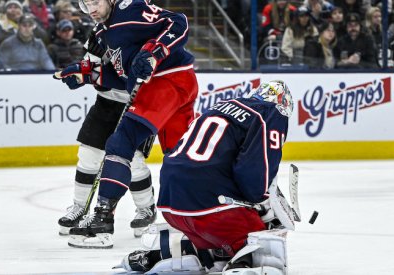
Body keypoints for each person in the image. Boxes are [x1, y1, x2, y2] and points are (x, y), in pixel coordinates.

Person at [54, 0, 198, 248]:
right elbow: (123, 76)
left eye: (96, 3)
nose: (92, 10)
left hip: (167, 81)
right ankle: (197, 215)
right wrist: (87, 74)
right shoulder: (103, 31)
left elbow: (179, 22)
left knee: (120, 142)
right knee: (179, 155)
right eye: (85, 5)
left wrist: (155, 51)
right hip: (169, 85)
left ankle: (102, 220)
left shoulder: (128, 9)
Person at [115, 80, 294, 275]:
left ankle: (163, 255)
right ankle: (242, 262)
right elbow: (252, 173)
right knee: (261, 239)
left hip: (170, 204)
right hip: (210, 209)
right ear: (282, 102)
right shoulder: (272, 112)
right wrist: (260, 202)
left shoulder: (220, 106)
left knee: (215, 253)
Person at [56, 30, 156, 238]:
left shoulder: (147, 31)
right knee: (88, 154)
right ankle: (79, 208)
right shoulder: (100, 33)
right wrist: (79, 76)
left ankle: (146, 209)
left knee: (134, 160)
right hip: (106, 102)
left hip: (140, 104)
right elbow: (89, 65)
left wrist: (91, 75)